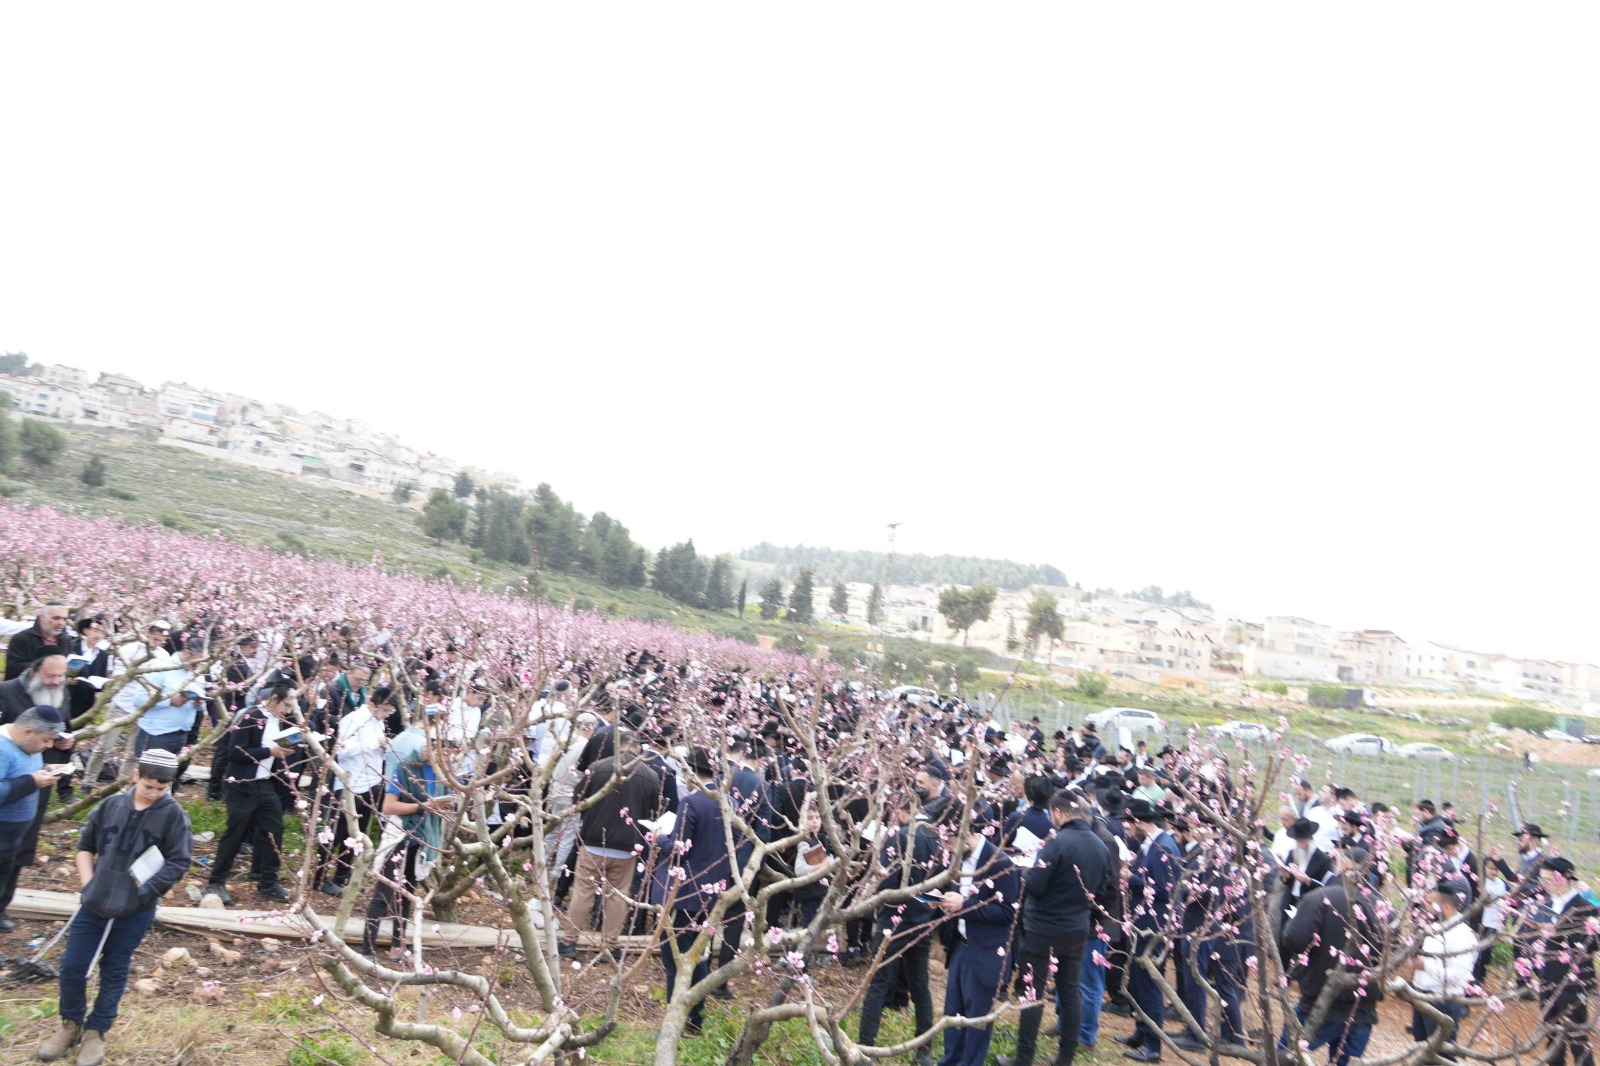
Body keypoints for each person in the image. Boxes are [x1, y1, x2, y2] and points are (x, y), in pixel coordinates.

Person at [35, 749, 192, 1066]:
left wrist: (144, 892)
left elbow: (179, 861)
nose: (154, 794)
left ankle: (97, 1031)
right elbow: (85, 847)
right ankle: (70, 1025)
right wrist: (88, 885)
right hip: (94, 903)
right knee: (72, 966)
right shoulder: (111, 805)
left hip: (136, 909)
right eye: (148, 786)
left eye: (162, 789)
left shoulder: (175, 816)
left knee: (115, 969)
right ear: (135, 776)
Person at [1000, 789, 1112, 1066]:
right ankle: (1065, 1057)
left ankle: (1023, 1057)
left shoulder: (1057, 843)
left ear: (1059, 813)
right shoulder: (1101, 846)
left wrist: (1027, 872)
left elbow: (1036, 886)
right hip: (1077, 928)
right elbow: (1103, 891)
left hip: (1044, 928)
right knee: (1070, 991)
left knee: (1033, 992)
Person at [1279, 845, 1385, 1066]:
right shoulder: (1382, 908)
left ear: (1344, 864)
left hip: (1322, 1000)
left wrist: (1293, 921)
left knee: (1285, 1057)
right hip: (1362, 1004)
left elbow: (1294, 939)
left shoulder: (1319, 898)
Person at [654, 746, 733, 1037]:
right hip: (713, 892)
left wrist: (659, 839)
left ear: (691, 772)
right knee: (699, 957)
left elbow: (679, 850)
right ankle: (694, 1020)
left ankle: (677, 1022)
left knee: (676, 960)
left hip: (684, 893)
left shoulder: (691, 802)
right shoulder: (727, 802)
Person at [856, 792, 941, 1059]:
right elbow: (942, 881)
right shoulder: (936, 836)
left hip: (894, 919)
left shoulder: (900, 836)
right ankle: (924, 1049)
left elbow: (884, 881)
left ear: (902, 811)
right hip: (922, 920)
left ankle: (866, 1047)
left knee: (879, 983)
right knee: (920, 986)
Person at [363, 718, 455, 960]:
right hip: (400, 835)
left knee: (407, 894)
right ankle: (367, 950)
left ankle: (398, 947)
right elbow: (389, 806)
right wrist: (423, 806)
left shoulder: (443, 776)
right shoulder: (405, 769)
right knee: (383, 892)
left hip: (421, 838)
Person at [204, 677, 300, 905]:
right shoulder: (250, 717)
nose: (288, 711)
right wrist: (269, 752)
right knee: (235, 833)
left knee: (274, 830)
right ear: (274, 698)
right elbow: (235, 752)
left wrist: (286, 749)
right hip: (242, 785)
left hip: (265, 784)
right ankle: (217, 880)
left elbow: (275, 748)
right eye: (286, 705)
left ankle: (268, 881)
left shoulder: (278, 721)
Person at [936, 813, 1021, 1066]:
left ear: (965, 833)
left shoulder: (999, 862)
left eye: (949, 841)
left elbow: (1007, 912)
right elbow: (957, 896)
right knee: (953, 1014)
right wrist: (942, 900)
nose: (947, 848)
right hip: (960, 946)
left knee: (977, 1020)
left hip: (985, 952)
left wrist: (965, 904)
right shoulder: (958, 859)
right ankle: (950, 1061)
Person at [569, 728, 660, 957]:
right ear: (638, 749)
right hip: (627, 846)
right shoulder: (650, 775)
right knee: (617, 896)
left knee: (583, 892)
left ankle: (569, 940)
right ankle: (610, 944)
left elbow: (578, 799)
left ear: (617, 746)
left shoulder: (597, 767)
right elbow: (654, 812)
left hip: (593, 840)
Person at [313, 678, 389, 896]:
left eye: (389, 712)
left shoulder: (378, 722)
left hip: (371, 783)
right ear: (373, 704)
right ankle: (319, 877)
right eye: (384, 710)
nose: (386, 715)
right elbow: (343, 750)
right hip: (350, 784)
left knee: (357, 834)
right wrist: (374, 744)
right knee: (337, 832)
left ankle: (343, 874)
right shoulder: (354, 719)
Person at [0, 707, 72, 932]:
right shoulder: (2, 748)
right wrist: (31, 782)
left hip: (18, 831)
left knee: (9, 873)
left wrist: (47, 770)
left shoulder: (28, 745)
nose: (49, 746)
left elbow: (20, 771)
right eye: (46, 740)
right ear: (28, 732)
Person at [1119, 798, 1179, 1063]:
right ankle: (1142, 1033)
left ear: (1140, 822)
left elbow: (1165, 891)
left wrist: (1130, 878)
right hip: (1143, 922)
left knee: (1150, 984)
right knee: (1139, 982)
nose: (1128, 829)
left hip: (1153, 926)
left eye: (1129, 824)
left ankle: (1153, 1046)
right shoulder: (1154, 844)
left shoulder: (1163, 846)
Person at [1531, 857, 1598, 1066]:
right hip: (1548, 980)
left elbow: (1594, 943)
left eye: (1548, 880)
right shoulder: (1546, 905)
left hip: (1573, 983)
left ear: (1564, 878)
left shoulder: (1585, 908)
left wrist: (1558, 931)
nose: (1544, 885)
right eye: (1542, 880)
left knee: (1577, 1040)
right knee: (1552, 1041)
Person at [1409, 878, 1476, 1047]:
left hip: (1443, 1002)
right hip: (1422, 996)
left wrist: (1425, 965)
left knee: (1441, 1051)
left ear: (1446, 906)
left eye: (1432, 904)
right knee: (1420, 1047)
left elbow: (1457, 976)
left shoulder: (1463, 935)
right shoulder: (1436, 927)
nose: (1427, 908)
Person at [3, 602, 71, 680]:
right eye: (56, 618)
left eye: (64, 619)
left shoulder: (66, 640)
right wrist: (44, 667)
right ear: (42, 618)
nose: (61, 623)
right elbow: (13, 669)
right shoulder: (22, 638)